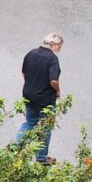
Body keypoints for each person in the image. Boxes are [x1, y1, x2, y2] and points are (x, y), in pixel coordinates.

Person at [15, 33, 64, 165]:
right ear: (53, 45)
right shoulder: (52, 59)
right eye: (59, 46)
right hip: (45, 100)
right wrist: (58, 91)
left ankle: (14, 150)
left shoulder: (31, 53)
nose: (59, 49)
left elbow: (24, 72)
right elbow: (53, 80)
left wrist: (31, 85)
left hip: (29, 95)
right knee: (45, 127)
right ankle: (41, 158)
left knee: (30, 123)